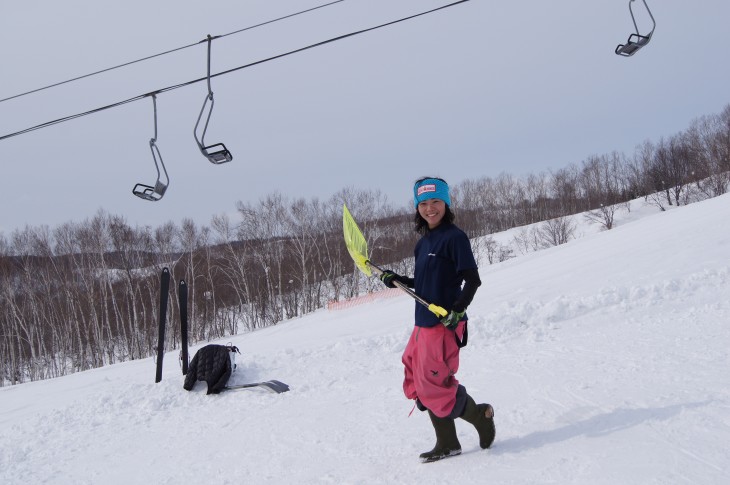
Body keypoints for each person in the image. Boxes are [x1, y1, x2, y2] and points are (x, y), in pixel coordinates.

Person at [380, 176, 495, 463]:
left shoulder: (454, 237)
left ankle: (478, 417)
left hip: (444, 324)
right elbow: (423, 281)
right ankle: (449, 441)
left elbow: (472, 279)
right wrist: (397, 279)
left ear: (446, 203)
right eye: (424, 203)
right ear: (417, 207)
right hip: (423, 323)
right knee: (417, 378)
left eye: (436, 202)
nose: (430, 208)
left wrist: (457, 309)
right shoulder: (424, 243)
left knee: (434, 383)